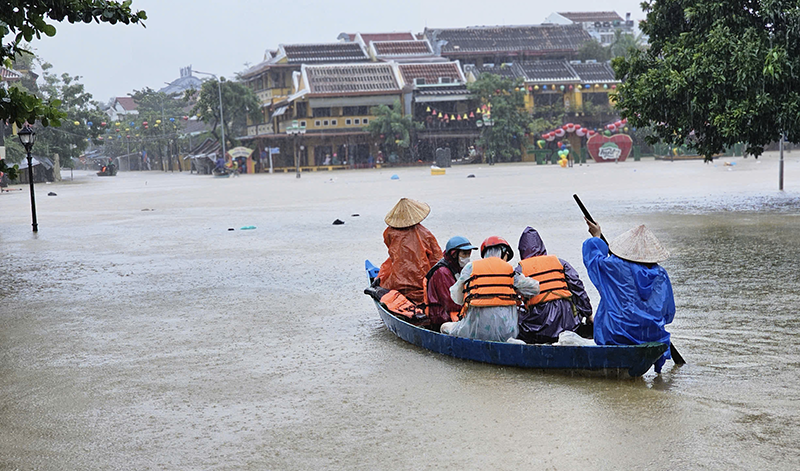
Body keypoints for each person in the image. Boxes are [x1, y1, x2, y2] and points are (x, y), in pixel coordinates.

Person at [583, 220, 675, 372]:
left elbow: (593, 258)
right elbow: (668, 314)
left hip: (616, 334)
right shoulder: (661, 274)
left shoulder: (614, 266)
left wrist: (596, 237)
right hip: (652, 335)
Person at [442, 237, 539, 343]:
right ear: (503, 252)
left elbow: (456, 297)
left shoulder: (470, 267)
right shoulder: (510, 270)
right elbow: (535, 288)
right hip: (507, 332)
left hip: (474, 331)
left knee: (444, 327)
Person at [516, 227, 593, 344]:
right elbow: (577, 287)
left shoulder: (520, 269)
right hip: (567, 320)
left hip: (538, 323)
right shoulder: (559, 262)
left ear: (522, 250)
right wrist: (588, 314)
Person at [377, 198, 442, 304]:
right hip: (421, 281)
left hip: (397, 281)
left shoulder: (390, 232)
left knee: (386, 275)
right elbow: (436, 259)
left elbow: (391, 251)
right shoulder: (425, 233)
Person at [423, 236, 477, 331]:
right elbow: (451, 301)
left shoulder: (457, 268)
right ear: (454, 254)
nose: (467, 258)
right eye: (464, 254)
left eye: (469, 254)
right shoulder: (443, 272)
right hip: (441, 315)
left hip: (449, 312)